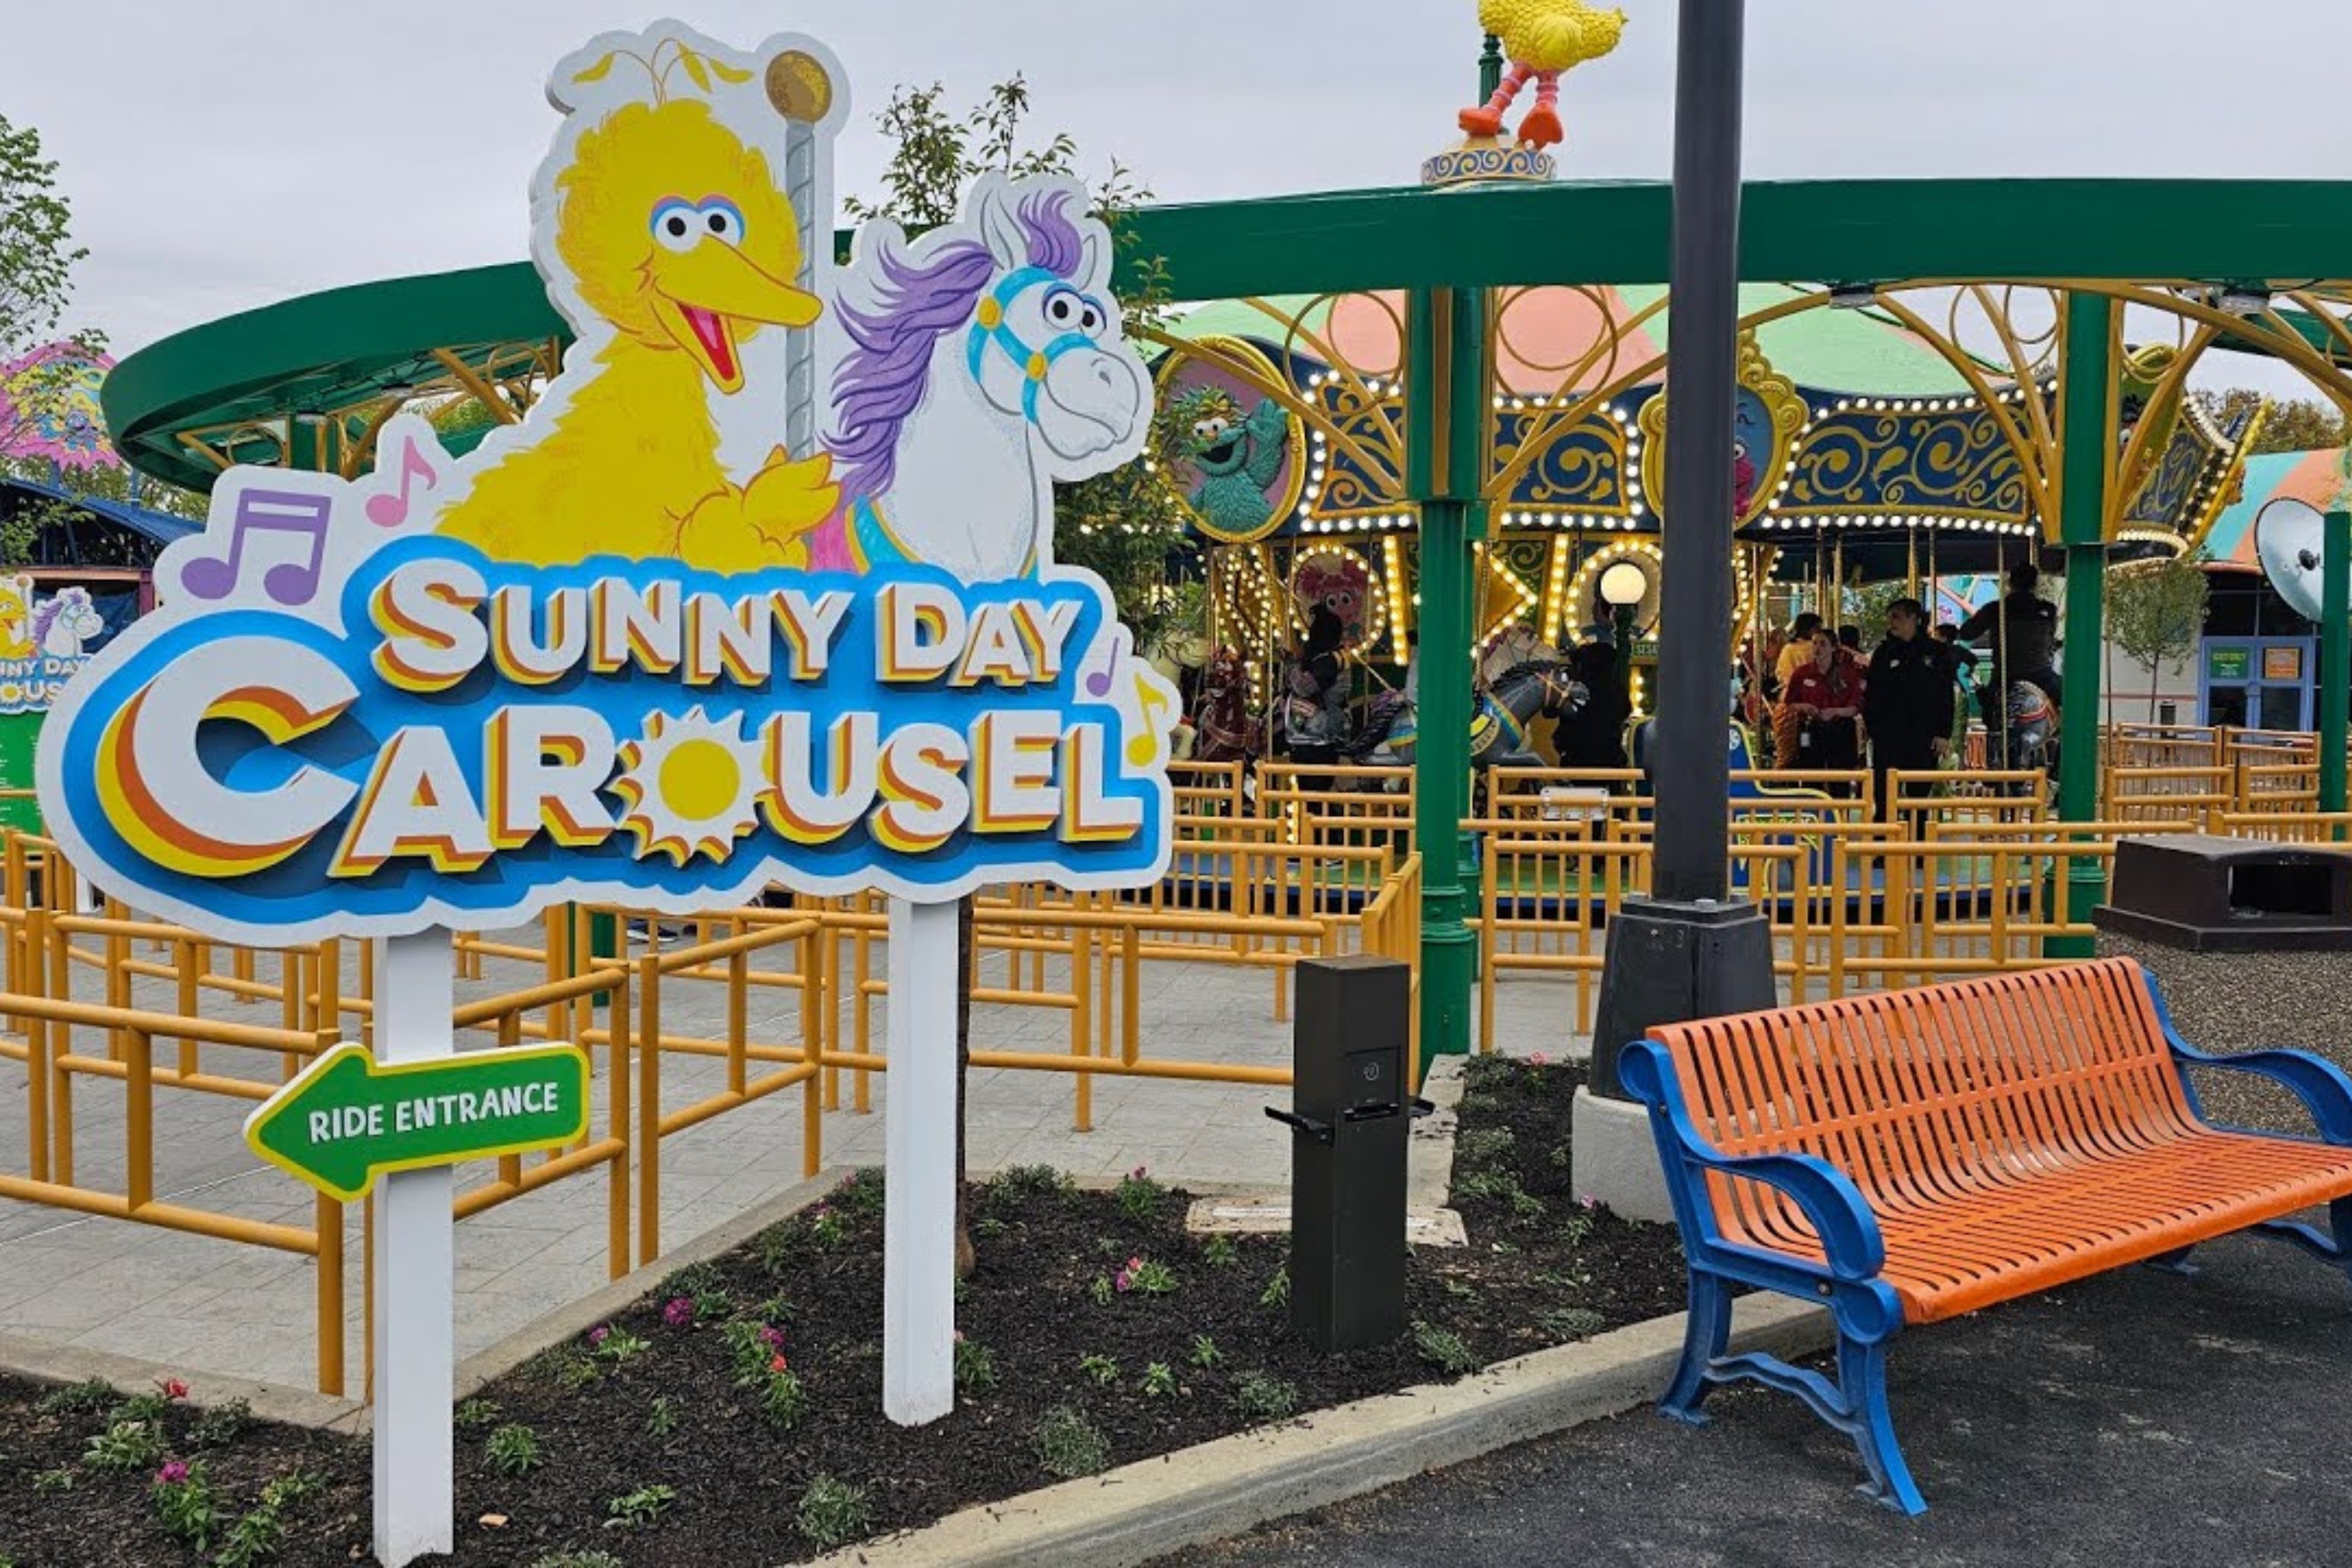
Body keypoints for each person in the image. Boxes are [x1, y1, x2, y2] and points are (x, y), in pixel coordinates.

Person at [1864, 597, 1957, 818]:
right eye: (1890, 618)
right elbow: (1872, 693)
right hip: (1888, 735)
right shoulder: (1883, 652)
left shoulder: (1937, 652)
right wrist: (1873, 728)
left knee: (1918, 799)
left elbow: (1945, 695)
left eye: (1897, 617)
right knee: (1885, 796)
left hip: (1923, 734)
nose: (1891, 623)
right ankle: (1882, 849)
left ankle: (1918, 849)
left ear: (1914, 618)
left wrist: (1943, 733)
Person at [1780, 629, 1865, 788]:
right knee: (1811, 778)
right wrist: (1804, 707)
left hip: (1840, 729)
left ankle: (1840, 811)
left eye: (1823, 644)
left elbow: (1856, 707)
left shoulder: (1847, 673)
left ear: (1833, 648)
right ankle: (1813, 811)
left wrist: (1835, 711)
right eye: (1814, 644)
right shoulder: (1802, 673)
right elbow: (1789, 704)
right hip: (1811, 728)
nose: (1817, 648)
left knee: (1840, 780)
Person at [1281, 605, 1350, 780]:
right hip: (1313, 731)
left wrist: (1292, 663)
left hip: (1319, 732)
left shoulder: (1329, 661)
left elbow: (1303, 687)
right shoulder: (1331, 657)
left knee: (1314, 787)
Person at [1555, 638, 1631, 771]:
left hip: (1575, 759)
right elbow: (1625, 711)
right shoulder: (1617, 690)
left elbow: (1551, 712)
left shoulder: (1576, 688)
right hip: (1611, 759)